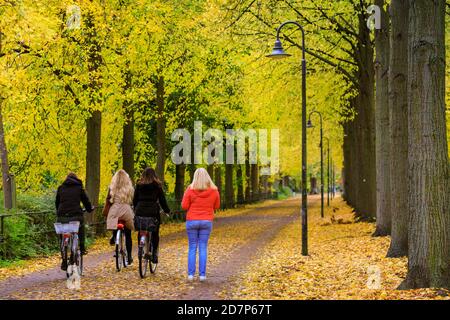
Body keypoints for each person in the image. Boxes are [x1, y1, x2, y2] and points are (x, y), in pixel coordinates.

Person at [181, 168, 220, 281]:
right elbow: (216, 206)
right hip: (206, 221)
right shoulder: (214, 190)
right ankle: (202, 275)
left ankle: (191, 275)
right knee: (203, 246)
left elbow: (184, 206)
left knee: (192, 247)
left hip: (192, 220)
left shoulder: (190, 189)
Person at [55, 173, 94, 270]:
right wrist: (89, 209)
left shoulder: (61, 188)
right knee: (80, 227)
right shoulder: (79, 188)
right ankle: (82, 246)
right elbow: (86, 201)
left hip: (62, 216)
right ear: (76, 179)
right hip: (76, 216)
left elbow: (57, 203)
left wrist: (59, 213)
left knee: (62, 235)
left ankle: (64, 259)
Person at [133, 167, 170, 263]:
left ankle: (140, 250)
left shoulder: (139, 185)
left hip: (140, 210)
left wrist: (135, 208)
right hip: (153, 211)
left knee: (141, 229)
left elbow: (135, 199)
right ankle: (154, 254)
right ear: (154, 175)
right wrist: (167, 210)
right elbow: (162, 200)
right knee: (155, 232)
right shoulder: (157, 185)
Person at [106, 169, 135, 264]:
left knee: (114, 222)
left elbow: (108, 200)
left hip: (115, 210)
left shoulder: (112, 187)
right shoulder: (129, 187)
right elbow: (132, 200)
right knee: (128, 234)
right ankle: (129, 256)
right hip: (126, 210)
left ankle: (115, 237)